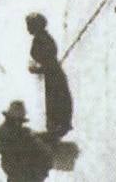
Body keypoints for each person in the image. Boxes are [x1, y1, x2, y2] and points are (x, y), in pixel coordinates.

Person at [25, 13, 72, 141]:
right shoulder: (42, 38)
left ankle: (57, 127)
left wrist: (36, 69)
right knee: (54, 99)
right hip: (52, 73)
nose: (27, 29)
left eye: (29, 26)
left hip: (53, 74)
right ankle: (57, 126)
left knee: (55, 100)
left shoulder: (42, 40)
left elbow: (48, 62)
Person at [0, 101, 54, 182]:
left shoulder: (4, 130)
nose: (19, 123)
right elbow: (43, 152)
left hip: (17, 174)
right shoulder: (19, 133)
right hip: (24, 174)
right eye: (19, 120)